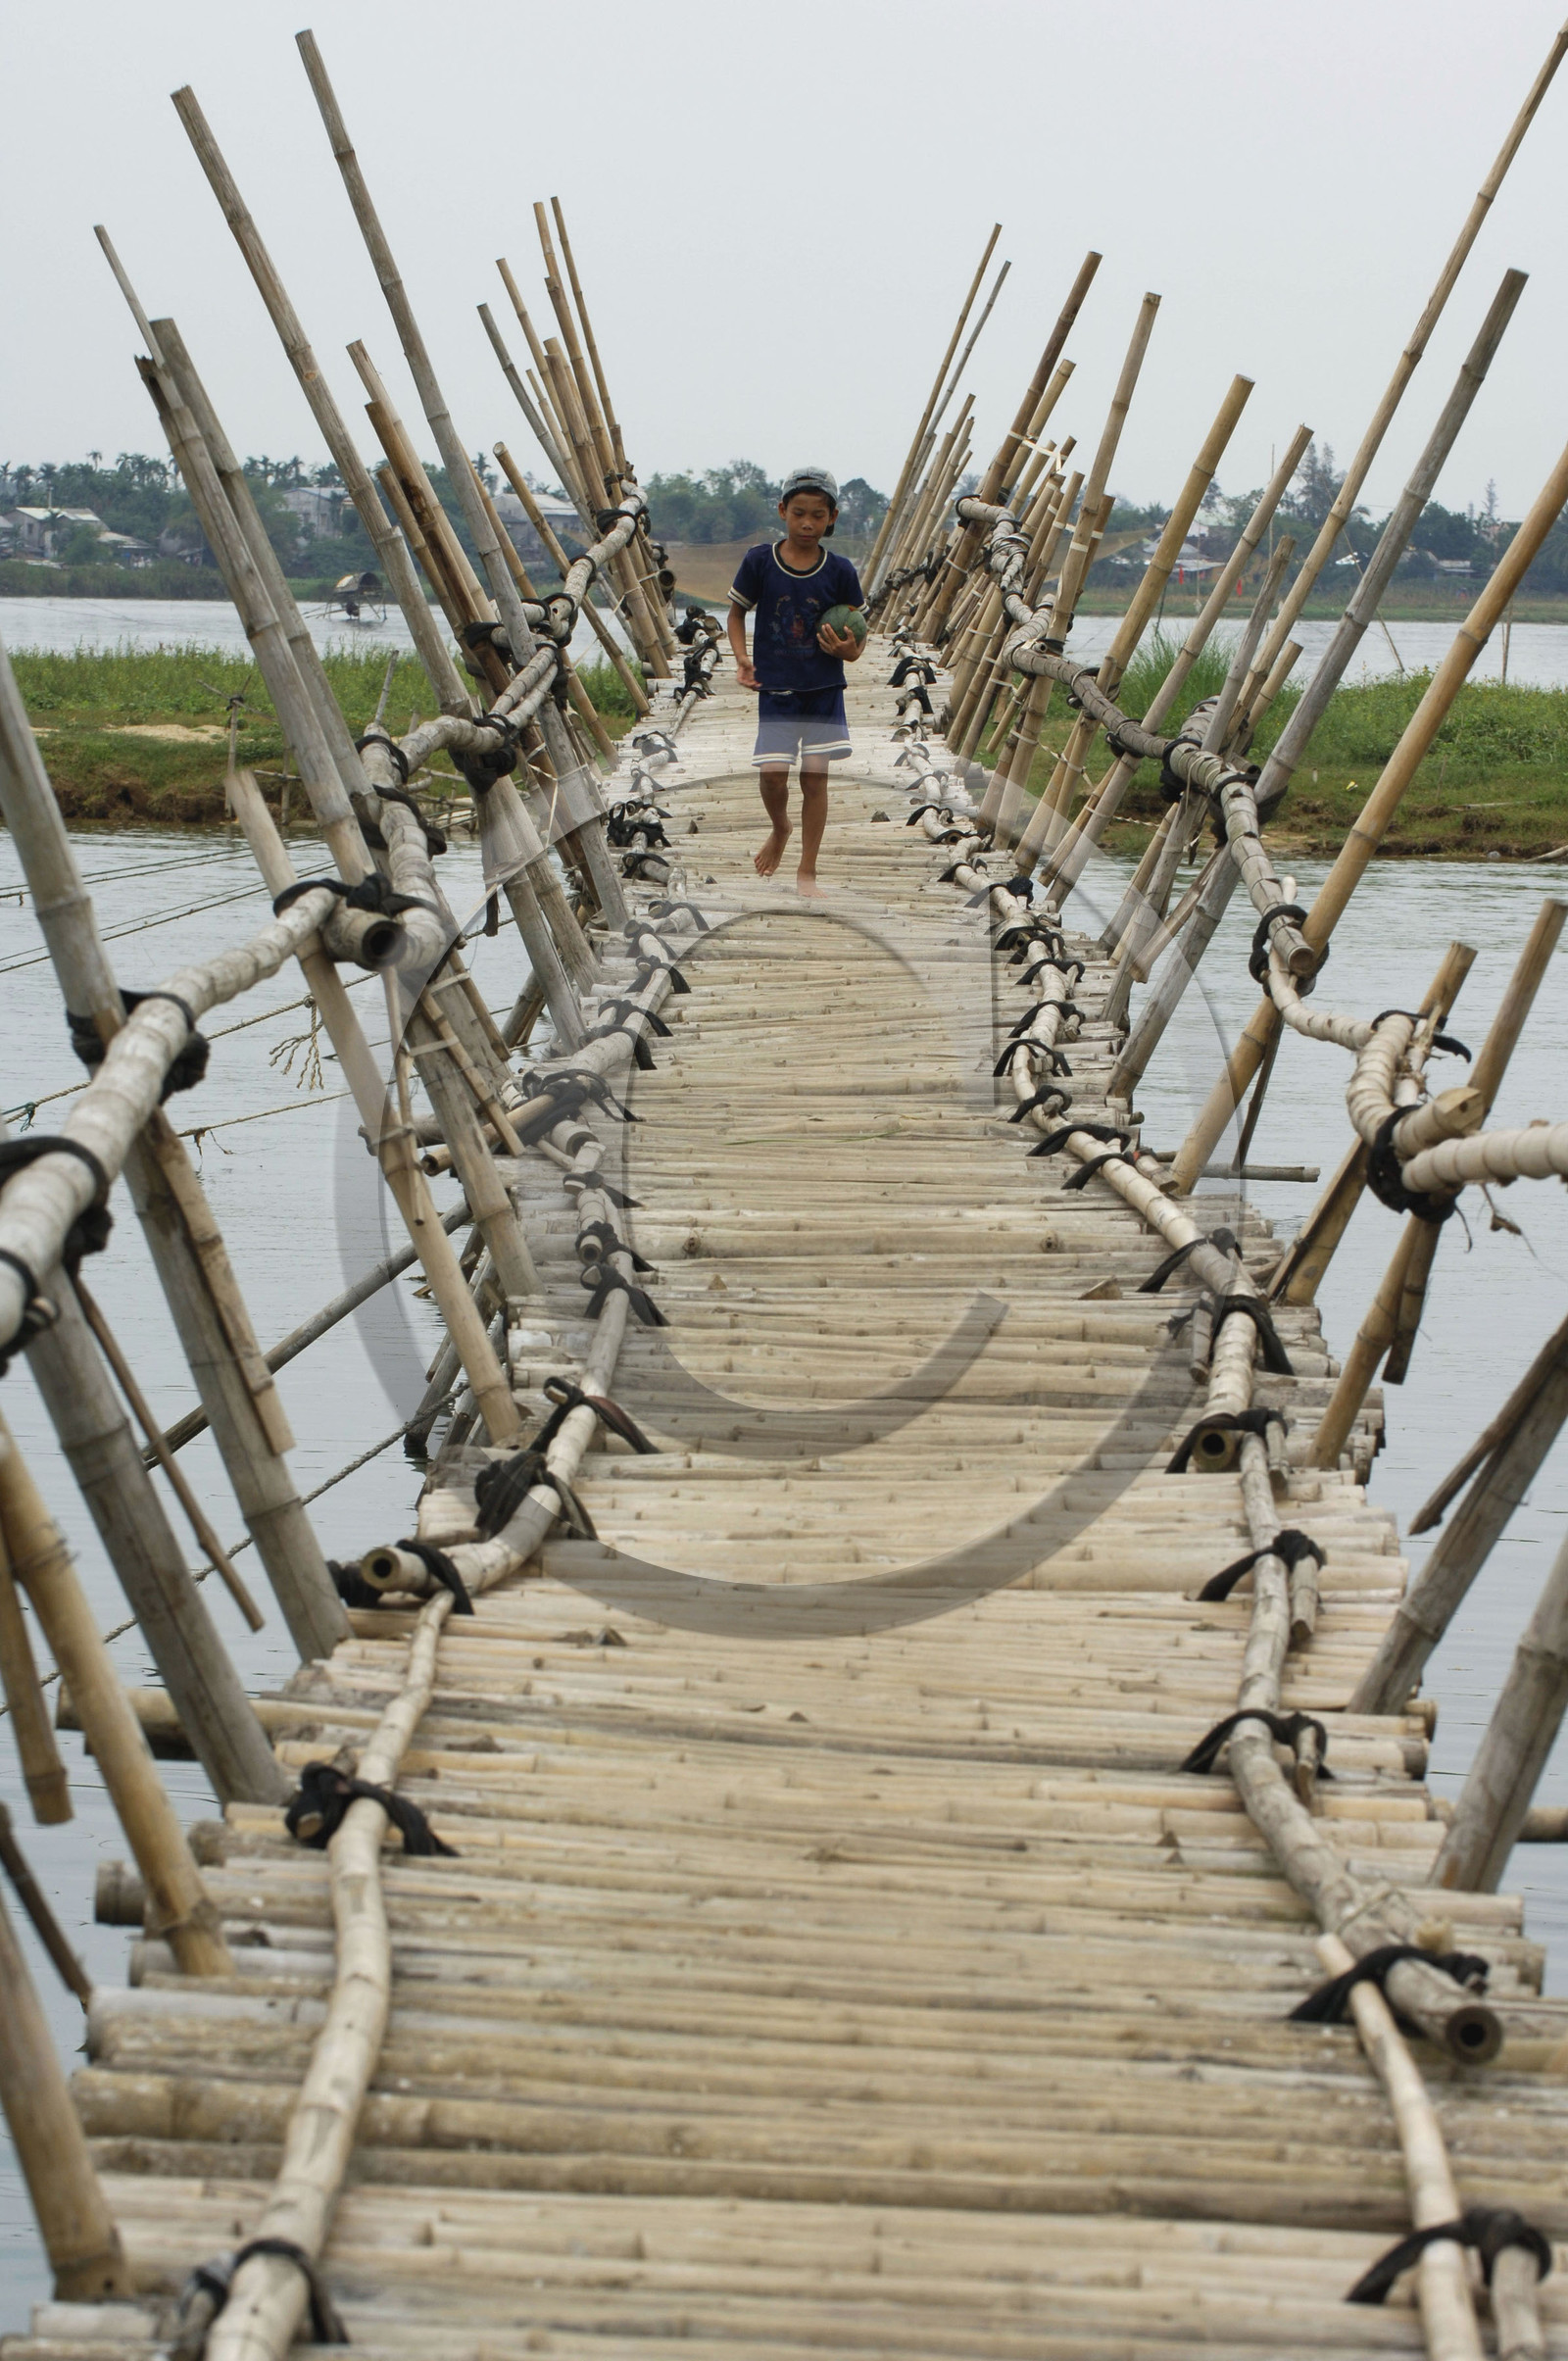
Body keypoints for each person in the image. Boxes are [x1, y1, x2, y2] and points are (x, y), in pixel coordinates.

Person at [727, 467, 865, 895]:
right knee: (772, 776)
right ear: (783, 510)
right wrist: (742, 661)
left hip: (823, 690)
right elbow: (735, 615)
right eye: (800, 513)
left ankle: (807, 870)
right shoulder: (758, 561)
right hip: (777, 690)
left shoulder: (840, 570)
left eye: (819, 515)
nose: (808, 523)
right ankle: (780, 827)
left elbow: (858, 635)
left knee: (814, 780)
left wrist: (849, 652)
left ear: (833, 518)